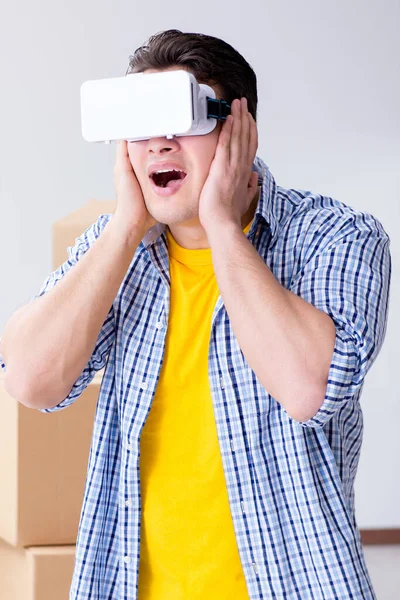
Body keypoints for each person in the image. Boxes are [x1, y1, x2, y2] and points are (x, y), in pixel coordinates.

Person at [0, 29, 391, 600]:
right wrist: (125, 227)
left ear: (239, 130)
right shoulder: (119, 250)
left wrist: (223, 228)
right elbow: (30, 379)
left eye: (180, 118)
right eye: (141, 122)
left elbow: (310, 388)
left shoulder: (336, 236)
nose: (158, 142)